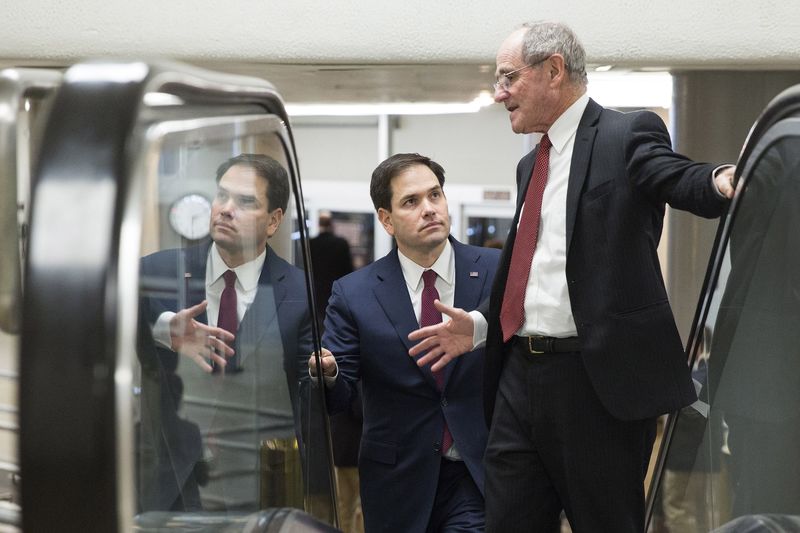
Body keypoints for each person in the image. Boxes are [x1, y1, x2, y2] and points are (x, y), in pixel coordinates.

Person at [408, 21, 736, 533]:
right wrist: (479, 327)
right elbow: (536, 275)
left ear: (554, 70)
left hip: (596, 384)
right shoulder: (529, 166)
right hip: (519, 378)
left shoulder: (627, 134)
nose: (499, 94)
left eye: (508, 78)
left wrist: (721, 180)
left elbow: (676, 176)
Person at [308, 153, 501, 532]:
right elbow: (337, 395)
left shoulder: (496, 270)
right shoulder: (354, 293)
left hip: (477, 472)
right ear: (386, 219)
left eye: (435, 195)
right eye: (411, 202)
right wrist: (328, 372)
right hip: (397, 479)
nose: (429, 209)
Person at [138, 153, 314, 512]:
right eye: (222, 195)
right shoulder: (157, 272)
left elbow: (315, 390)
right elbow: (105, 330)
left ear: (273, 221)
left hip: (259, 487)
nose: (225, 209)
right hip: (168, 482)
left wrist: (324, 370)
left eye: (245, 201)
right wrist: (163, 329)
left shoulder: (300, 290)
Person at [309, 212, 363, 532]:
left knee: (345, 501)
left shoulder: (314, 248)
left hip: (350, 435)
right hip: (350, 431)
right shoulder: (341, 253)